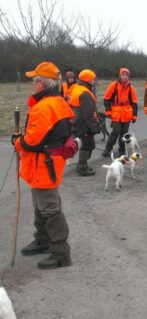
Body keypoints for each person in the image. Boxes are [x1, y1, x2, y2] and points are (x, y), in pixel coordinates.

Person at [12, 61, 74, 269]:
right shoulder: (59, 102)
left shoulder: (44, 107)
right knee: (41, 204)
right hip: (48, 163)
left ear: (43, 83)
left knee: (49, 208)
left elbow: (32, 142)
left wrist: (17, 142)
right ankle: (43, 240)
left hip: (43, 164)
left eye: (35, 80)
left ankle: (61, 253)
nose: (32, 84)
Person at [102, 68, 138, 157]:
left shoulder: (130, 87)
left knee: (124, 133)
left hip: (126, 114)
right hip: (116, 114)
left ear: (128, 77)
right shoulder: (113, 85)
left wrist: (134, 115)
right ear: (120, 75)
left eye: (127, 75)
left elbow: (134, 102)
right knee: (115, 132)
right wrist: (108, 111)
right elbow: (107, 99)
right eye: (123, 74)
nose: (125, 76)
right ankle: (108, 148)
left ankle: (122, 150)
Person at [69, 69, 99, 176]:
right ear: (88, 80)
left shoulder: (77, 88)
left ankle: (81, 165)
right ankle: (82, 168)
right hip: (84, 124)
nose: (94, 81)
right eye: (92, 79)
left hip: (77, 121)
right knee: (88, 145)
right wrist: (94, 128)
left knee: (86, 144)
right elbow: (88, 114)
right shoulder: (85, 93)